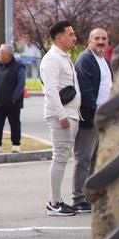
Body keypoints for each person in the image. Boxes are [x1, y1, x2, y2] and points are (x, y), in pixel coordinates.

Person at [41, 19, 82, 216]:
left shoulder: (64, 57)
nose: (74, 38)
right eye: (70, 34)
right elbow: (50, 90)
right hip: (62, 116)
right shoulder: (51, 59)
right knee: (59, 157)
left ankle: (57, 199)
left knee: (64, 157)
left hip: (72, 114)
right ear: (59, 37)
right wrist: (62, 115)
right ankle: (54, 202)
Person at [72, 28, 112, 213]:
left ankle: (91, 194)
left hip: (103, 118)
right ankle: (79, 198)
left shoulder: (104, 61)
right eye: (97, 38)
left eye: (104, 38)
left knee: (96, 160)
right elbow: (86, 92)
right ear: (90, 41)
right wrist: (97, 113)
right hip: (90, 119)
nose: (101, 41)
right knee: (84, 159)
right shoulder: (86, 60)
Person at [0, 44, 26, 153]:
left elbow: (21, 84)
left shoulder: (18, 67)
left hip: (12, 103)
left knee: (14, 124)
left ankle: (16, 144)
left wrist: (14, 98)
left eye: (0, 52)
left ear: (7, 54)